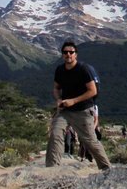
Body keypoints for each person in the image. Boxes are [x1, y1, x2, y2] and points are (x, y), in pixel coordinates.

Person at [45, 41, 110, 170]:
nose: (68, 54)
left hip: (83, 110)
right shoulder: (60, 70)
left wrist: (74, 101)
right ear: (62, 54)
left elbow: (92, 91)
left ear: (76, 55)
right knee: (55, 135)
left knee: (90, 141)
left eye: (71, 52)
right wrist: (58, 99)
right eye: (65, 52)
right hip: (65, 110)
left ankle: (106, 168)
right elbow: (56, 88)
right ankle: (52, 169)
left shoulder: (83, 69)